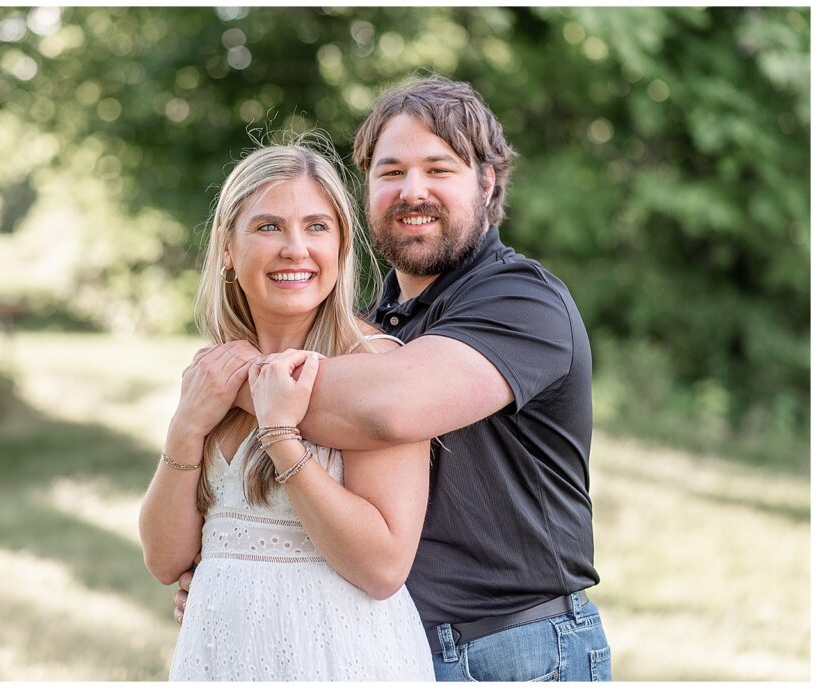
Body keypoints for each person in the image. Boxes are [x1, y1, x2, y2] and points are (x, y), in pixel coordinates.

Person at [174, 74, 612, 682]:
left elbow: (387, 409)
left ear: (486, 182)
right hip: (384, 641)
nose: (413, 191)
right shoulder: (372, 328)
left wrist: (223, 380)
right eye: (390, 171)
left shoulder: (521, 302)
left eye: (439, 169)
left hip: (513, 651)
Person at [138, 143, 436, 681]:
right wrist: (186, 429)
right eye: (269, 227)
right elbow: (164, 561)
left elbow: (384, 567)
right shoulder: (214, 373)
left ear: (342, 245)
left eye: (317, 227)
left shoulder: (374, 367)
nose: (295, 249)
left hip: (336, 658)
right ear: (228, 247)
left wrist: (280, 436)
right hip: (219, 655)